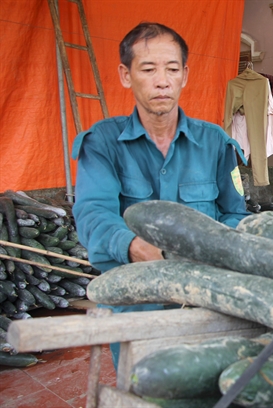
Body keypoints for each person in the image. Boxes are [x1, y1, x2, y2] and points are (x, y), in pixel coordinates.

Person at [71, 22, 249, 367]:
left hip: (208, 305)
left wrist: (215, 251)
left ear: (185, 74)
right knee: (145, 391)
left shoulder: (215, 142)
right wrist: (135, 247)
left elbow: (235, 212)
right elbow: (93, 214)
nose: (162, 81)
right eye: (148, 69)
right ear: (126, 75)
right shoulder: (102, 144)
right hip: (136, 309)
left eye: (172, 69)